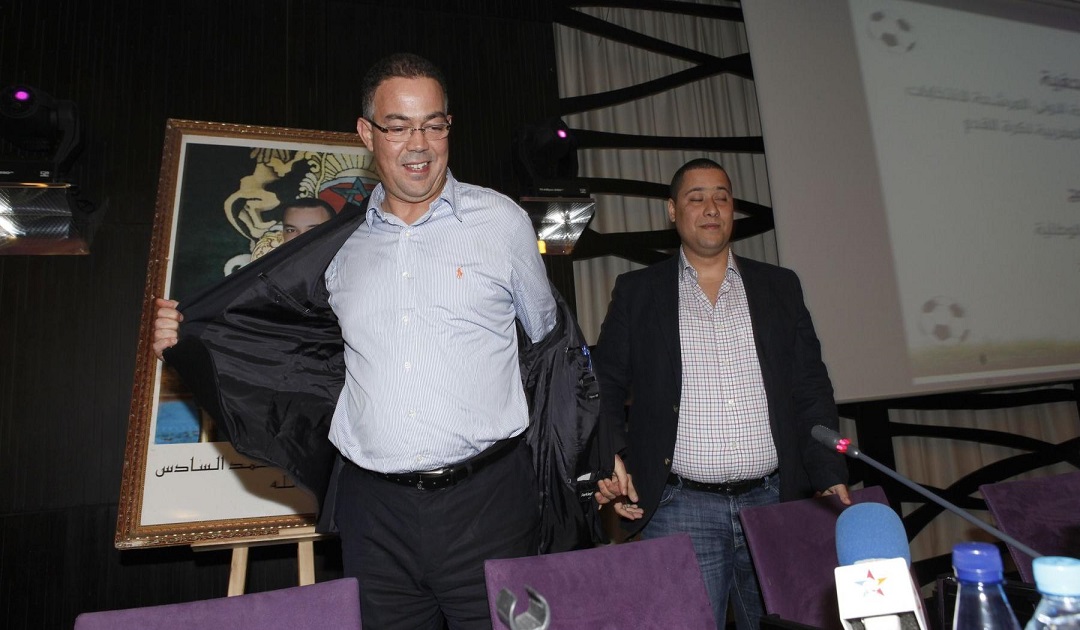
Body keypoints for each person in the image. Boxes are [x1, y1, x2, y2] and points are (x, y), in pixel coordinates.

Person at [153, 53, 606, 629]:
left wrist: (592, 454)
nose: (419, 145)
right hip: (375, 518)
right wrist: (188, 337)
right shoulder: (337, 247)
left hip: (490, 506)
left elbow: (550, 347)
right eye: (398, 126)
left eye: (434, 125)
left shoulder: (502, 222)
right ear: (367, 134)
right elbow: (282, 341)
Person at [592, 158, 851, 630]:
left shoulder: (779, 286)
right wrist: (613, 456)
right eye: (696, 198)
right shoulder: (638, 292)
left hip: (775, 503)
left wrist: (828, 470)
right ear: (673, 210)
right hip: (678, 509)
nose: (711, 208)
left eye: (722, 197)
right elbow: (604, 383)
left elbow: (811, 386)